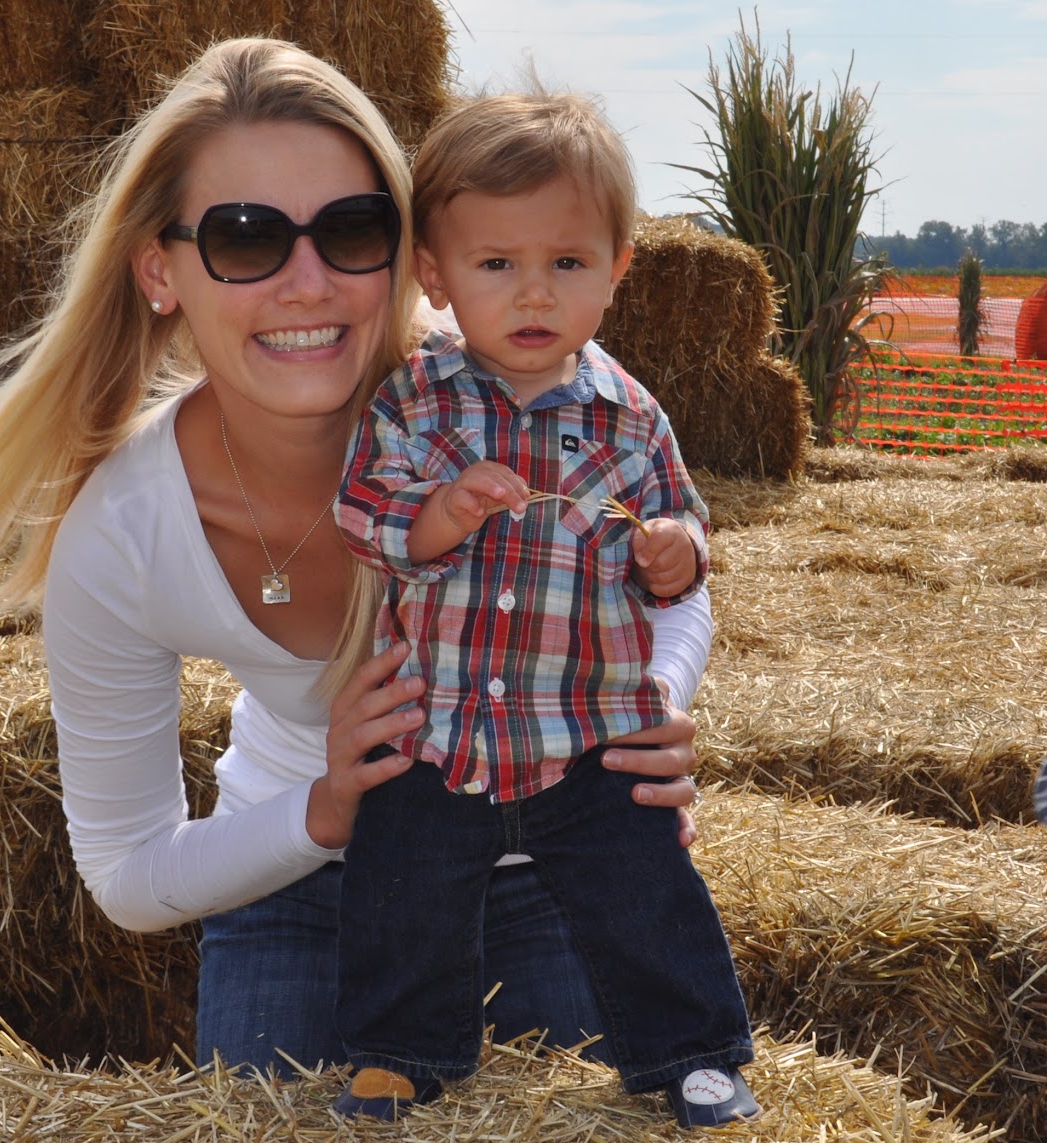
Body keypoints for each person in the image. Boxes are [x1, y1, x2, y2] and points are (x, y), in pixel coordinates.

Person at [0, 37, 712, 1110]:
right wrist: (324, 813)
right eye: (244, 237)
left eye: (351, 229)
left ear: (407, 255)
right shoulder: (126, 532)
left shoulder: (506, 386)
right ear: (159, 269)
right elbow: (130, 875)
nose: (308, 282)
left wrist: (650, 702)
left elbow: (664, 557)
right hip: (294, 887)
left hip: (547, 868)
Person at [331, 92, 756, 1128]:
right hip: (440, 728)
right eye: (495, 263)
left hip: (589, 734)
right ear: (435, 274)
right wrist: (439, 514)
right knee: (402, 886)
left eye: (567, 262)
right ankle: (397, 1054)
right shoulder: (413, 399)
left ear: (616, 270)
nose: (533, 291)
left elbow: (682, 535)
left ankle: (694, 1055)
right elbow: (363, 514)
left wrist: (673, 554)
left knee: (645, 890)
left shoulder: (631, 418)